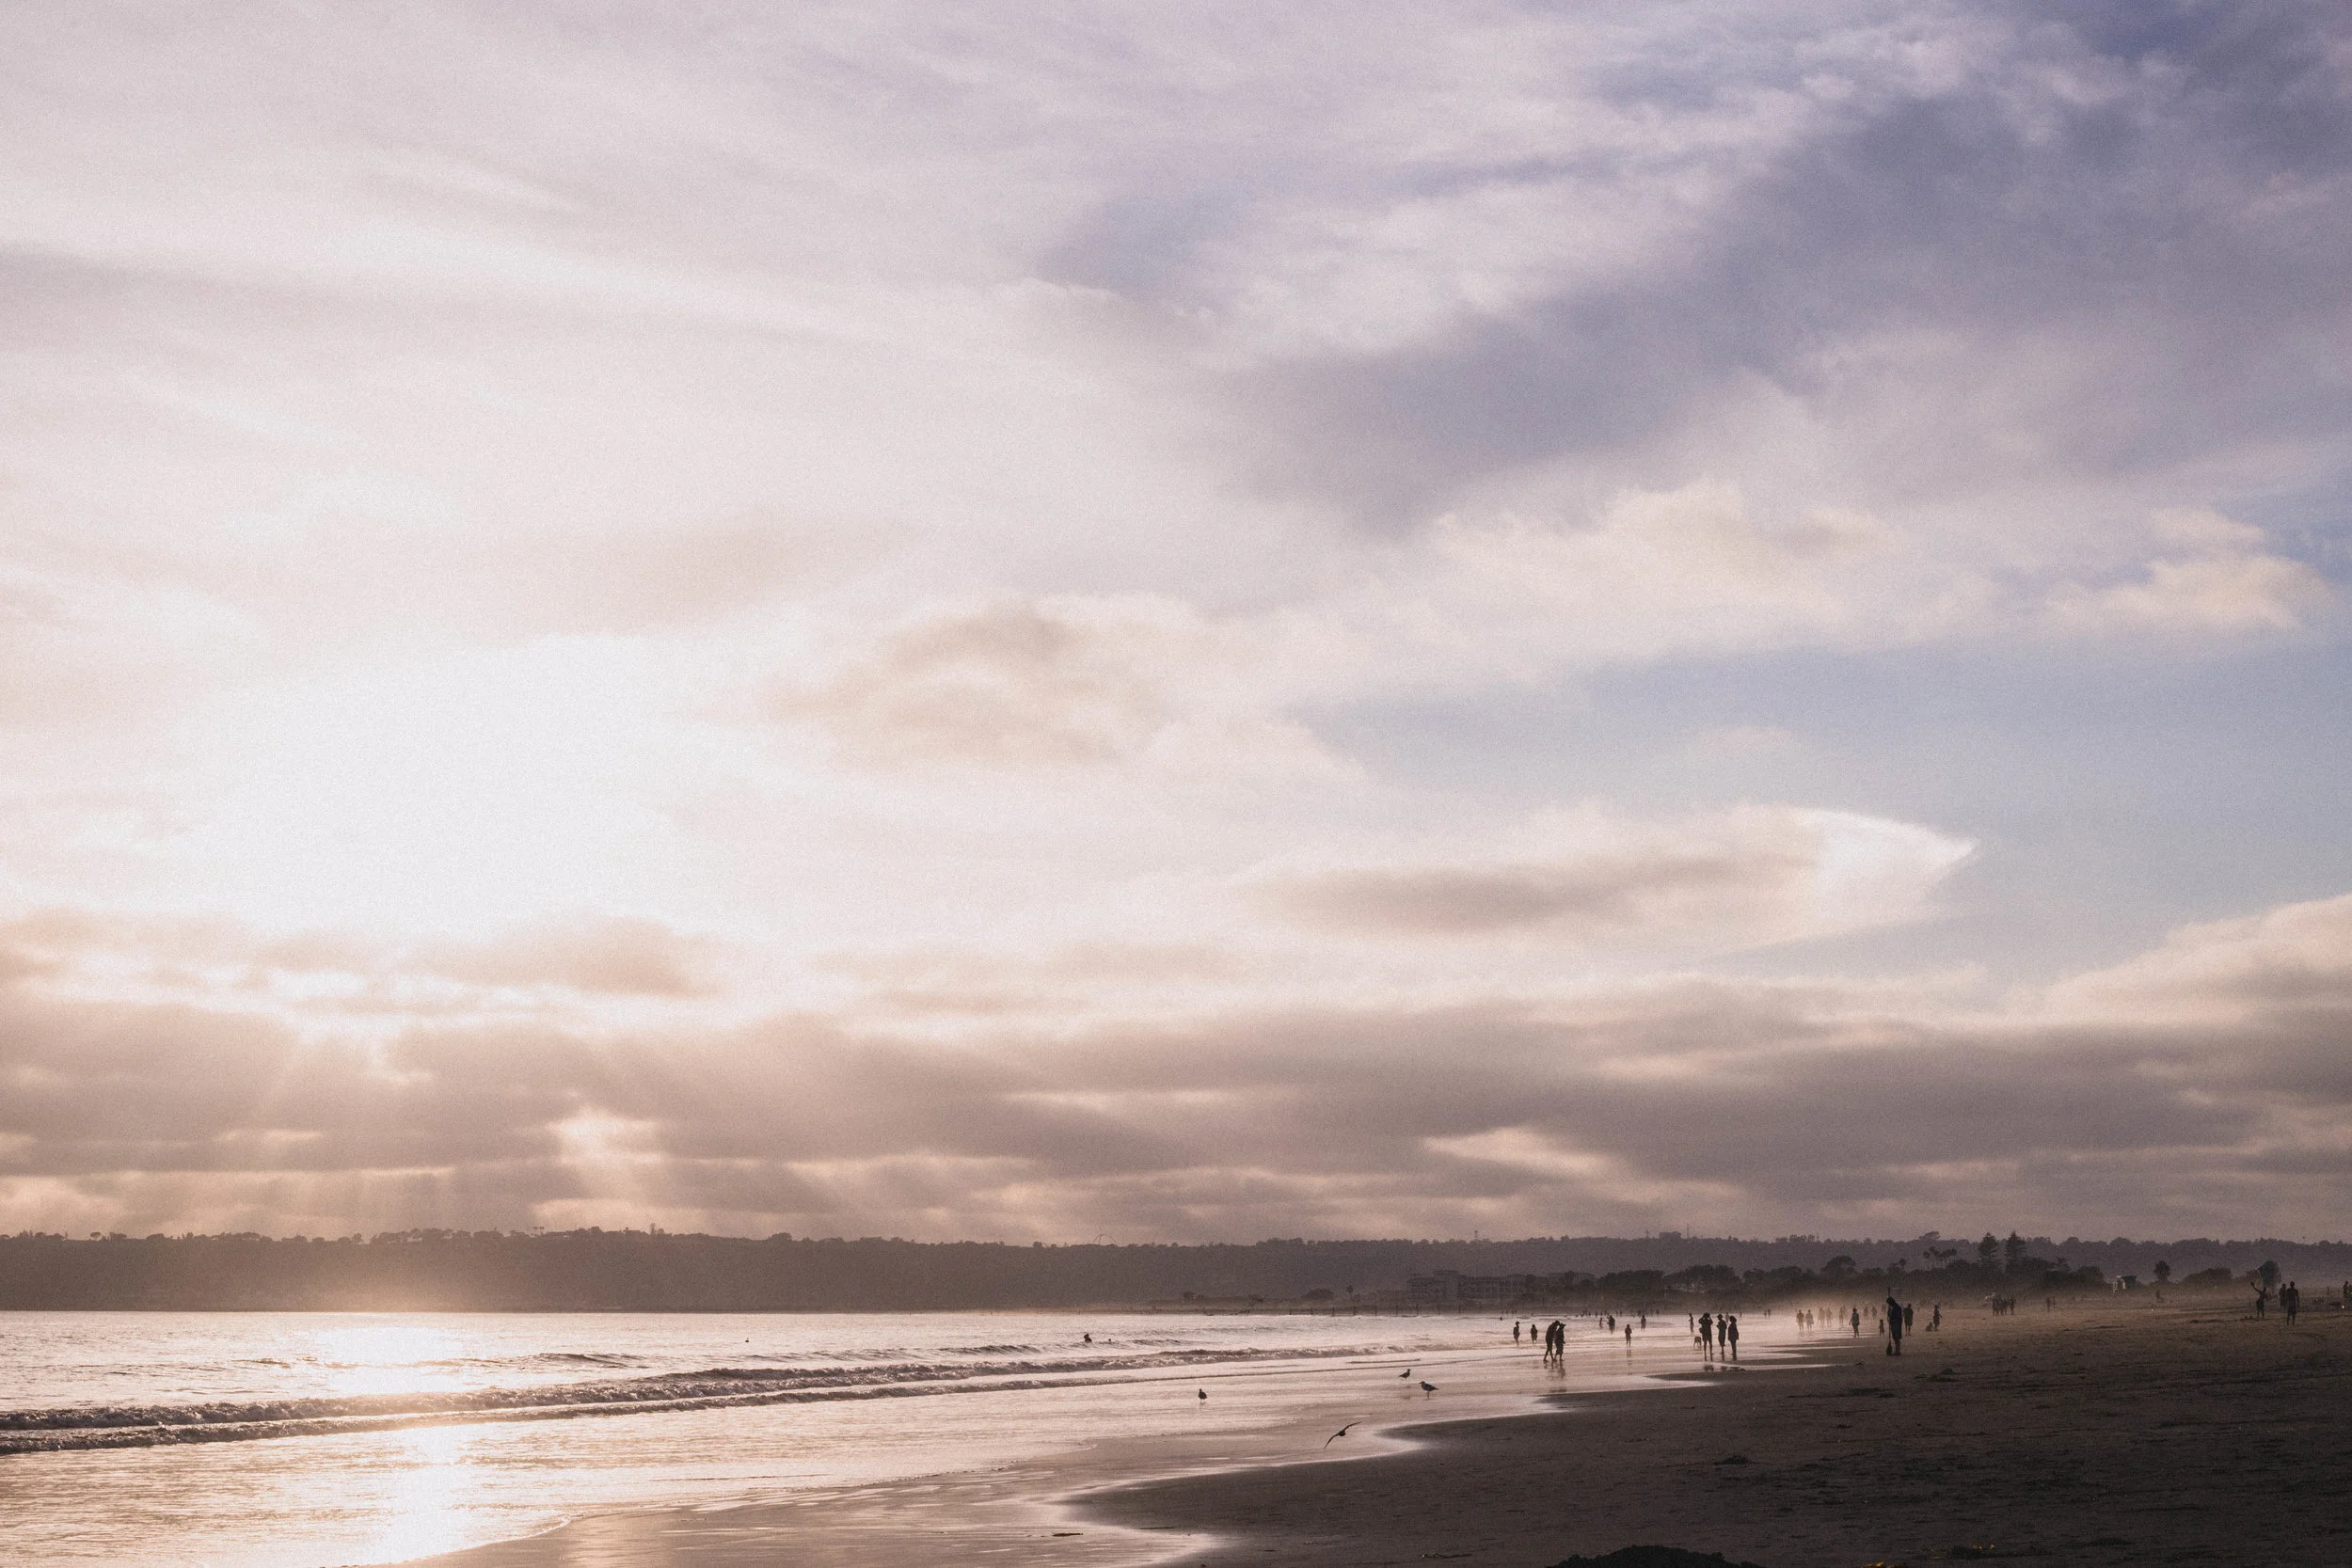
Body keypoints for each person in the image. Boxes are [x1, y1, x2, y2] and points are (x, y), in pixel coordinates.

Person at [1884, 1292, 1904, 1356]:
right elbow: (1890, 1315)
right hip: (1893, 1324)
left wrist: (1893, 1320)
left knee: (1896, 1337)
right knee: (1894, 1337)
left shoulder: (1897, 1307)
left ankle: (1898, 1351)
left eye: (1889, 1303)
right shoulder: (1892, 1307)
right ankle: (1897, 1350)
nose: (1889, 1304)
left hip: (1896, 1324)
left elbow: (1898, 1316)